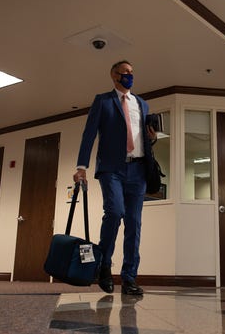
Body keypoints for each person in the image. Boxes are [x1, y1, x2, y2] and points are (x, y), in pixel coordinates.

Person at [73, 60, 156, 295]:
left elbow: (145, 138)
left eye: (132, 72)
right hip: (112, 169)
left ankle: (129, 277)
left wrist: (152, 138)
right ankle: (104, 266)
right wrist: (81, 166)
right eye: (125, 72)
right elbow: (89, 134)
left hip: (138, 170)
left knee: (134, 223)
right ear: (114, 75)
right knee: (115, 212)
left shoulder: (142, 104)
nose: (129, 75)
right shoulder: (103, 101)